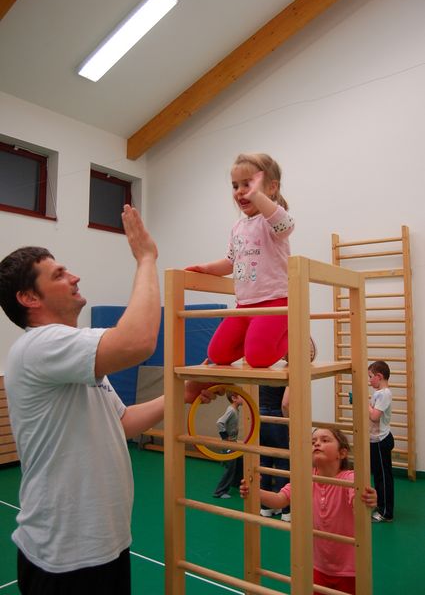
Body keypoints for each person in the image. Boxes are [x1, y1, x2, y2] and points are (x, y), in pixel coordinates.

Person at [0, 205, 214, 595]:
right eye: (58, 274)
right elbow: (138, 342)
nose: (74, 277)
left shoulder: (76, 356)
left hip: (106, 545)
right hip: (63, 559)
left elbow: (122, 422)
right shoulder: (40, 346)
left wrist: (182, 394)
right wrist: (146, 258)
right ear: (29, 297)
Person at [186, 153, 294, 368]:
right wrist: (205, 268)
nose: (240, 191)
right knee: (218, 354)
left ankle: (293, 339)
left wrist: (258, 197)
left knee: (257, 358)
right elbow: (231, 262)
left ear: (271, 188)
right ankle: (261, 339)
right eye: (236, 186)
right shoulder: (238, 227)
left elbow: (286, 226)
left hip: (275, 302)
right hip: (243, 305)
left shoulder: (272, 219)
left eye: (248, 184)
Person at [240, 428, 377, 595]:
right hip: (318, 566)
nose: (317, 444)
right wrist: (255, 491)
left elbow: (358, 500)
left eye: (325, 440)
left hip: (350, 570)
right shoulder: (306, 478)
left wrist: (367, 499)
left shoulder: (349, 478)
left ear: (342, 453)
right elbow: (280, 499)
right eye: (313, 442)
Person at [259, 385, 291, 522]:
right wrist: (289, 425)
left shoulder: (263, 372)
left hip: (259, 414)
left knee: (264, 461)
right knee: (283, 463)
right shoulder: (290, 373)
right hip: (277, 415)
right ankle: (286, 510)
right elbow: (285, 404)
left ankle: (266, 507)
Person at [368, 360, 394, 523]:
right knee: (378, 476)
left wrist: (364, 403)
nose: (369, 380)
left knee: (384, 477)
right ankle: (381, 505)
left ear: (379, 376)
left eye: (371, 376)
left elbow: (374, 416)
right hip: (375, 440)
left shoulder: (384, 394)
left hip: (381, 441)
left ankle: (386, 512)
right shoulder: (379, 393)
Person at [213, 391, 244, 498]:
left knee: (240, 461)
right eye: (242, 396)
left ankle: (235, 483)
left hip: (233, 443)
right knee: (230, 467)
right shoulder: (231, 410)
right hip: (228, 444)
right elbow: (219, 422)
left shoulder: (236, 409)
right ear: (234, 398)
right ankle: (219, 492)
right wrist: (225, 437)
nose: (244, 399)